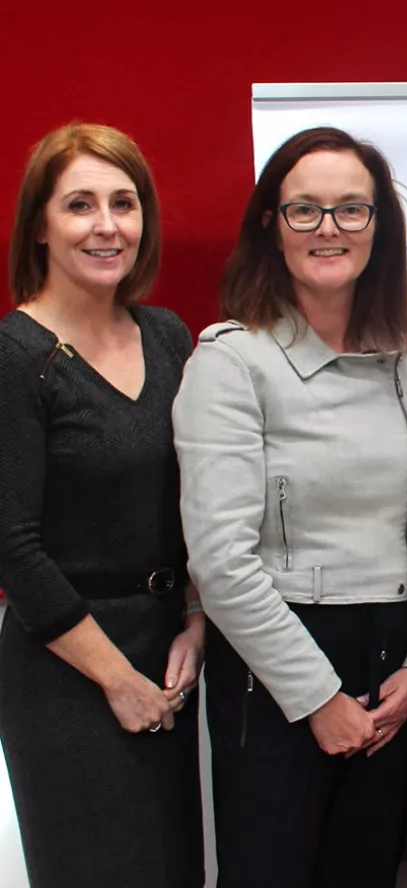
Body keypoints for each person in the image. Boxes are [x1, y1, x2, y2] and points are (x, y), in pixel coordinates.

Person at [173, 126, 407, 888]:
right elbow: (221, 562)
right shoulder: (231, 361)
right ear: (271, 226)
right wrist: (317, 697)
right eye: (306, 211)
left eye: (352, 210)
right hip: (280, 663)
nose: (330, 229)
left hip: (396, 664)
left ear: (379, 227)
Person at [0, 123, 204, 887]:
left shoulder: (168, 337)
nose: (107, 225)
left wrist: (197, 618)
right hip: (67, 676)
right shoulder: (15, 358)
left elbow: (197, 501)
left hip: (166, 658)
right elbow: (15, 550)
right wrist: (118, 681)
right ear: (42, 225)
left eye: (124, 202)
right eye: (80, 205)